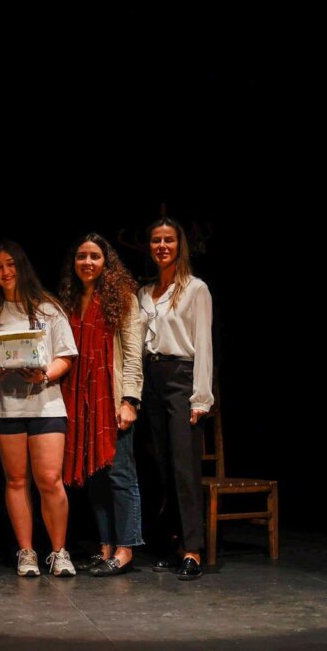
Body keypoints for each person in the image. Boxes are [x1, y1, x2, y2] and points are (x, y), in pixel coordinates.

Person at [0, 240, 78, 578]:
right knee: (16, 479)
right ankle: (27, 552)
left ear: (22, 267)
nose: (5, 272)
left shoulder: (49, 309)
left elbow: (65, 356)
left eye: (10, 264)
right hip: (4, 406)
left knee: (49, 479)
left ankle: (59, 552)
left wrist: (44, 374)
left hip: (46, 403)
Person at [57, 233, 143, 576]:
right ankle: (106, 546)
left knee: (121, 475)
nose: (87, 262)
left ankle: (125, 549)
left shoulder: (122, 298)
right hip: (80, 400)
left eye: (94, 256)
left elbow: (133, 354)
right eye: (82, 256)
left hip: (112, 398)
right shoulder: (70, 300)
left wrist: (129, 401)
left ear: (107, 263)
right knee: (95, 476)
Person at [138, 217, 213, 581]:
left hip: (181, 378)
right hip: (151, 378)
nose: (162, 246)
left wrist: (201, 398)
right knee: (163, 468)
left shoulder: (196, 289)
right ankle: (175, 545)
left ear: (179, 245)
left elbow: (203, 345)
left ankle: (194, 549)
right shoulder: (144, 292)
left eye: (169, 240)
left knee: (184, 467)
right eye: (156, 240)